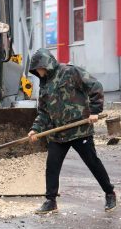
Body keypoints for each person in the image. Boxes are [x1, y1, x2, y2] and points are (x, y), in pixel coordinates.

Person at [27, 48, 116, 214]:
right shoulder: (44, 85)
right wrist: (35, 129)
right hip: (57, 133)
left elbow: (95, 86)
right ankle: (50, 201)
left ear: (46, 64)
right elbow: (43, 112)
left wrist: (95, 111)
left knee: (92, 163)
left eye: (38, 69)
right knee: (52, 166)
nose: (38, 73)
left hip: (79, 130)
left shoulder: (70, 72)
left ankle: (109, 193)